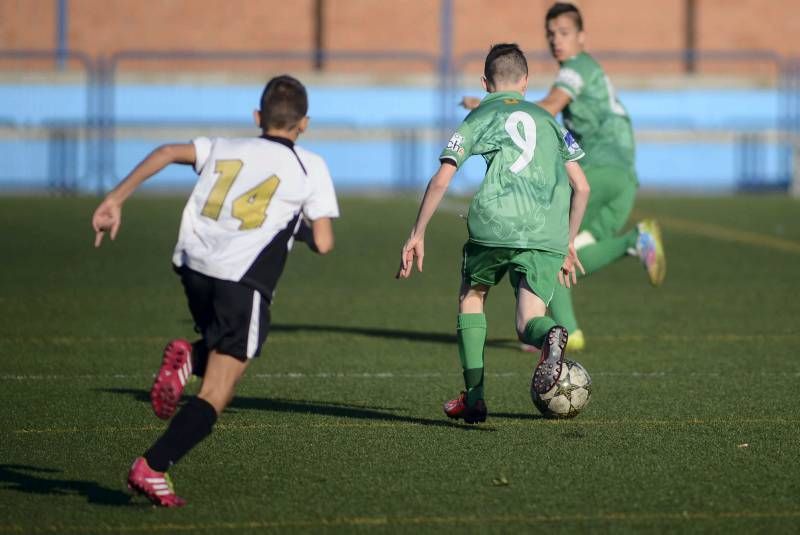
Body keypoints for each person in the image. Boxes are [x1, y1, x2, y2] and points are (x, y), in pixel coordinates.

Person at [91, 75, 339, 507]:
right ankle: (152, 466)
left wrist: (115, 198)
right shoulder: (309, 164)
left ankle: (192, 356)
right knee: (218, 389)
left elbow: (168, 152)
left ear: (258, 117)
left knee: (220, 345)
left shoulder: (224, 145)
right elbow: (323, 242)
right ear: (305, 123)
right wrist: (294, 225)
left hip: (192, 266)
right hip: (242, 277)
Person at [397, 43, 590, 424]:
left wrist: (417, 233)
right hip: (545, 232)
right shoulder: (550, 119)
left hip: (493, 226)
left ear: (485, 83)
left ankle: (475, 397)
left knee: (473, 297)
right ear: (526, 82)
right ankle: (549, 333)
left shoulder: (479, 115)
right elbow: (581, 187)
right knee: (527, 321)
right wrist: (568, 240)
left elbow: (442, 179)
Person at [461, 2, 666, 352]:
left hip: (597, 168)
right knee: (574, 254)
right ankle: (634, 243)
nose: (556, 40)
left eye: (564, 33)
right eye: (551, 34)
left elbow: (552, 106)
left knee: (534, 240)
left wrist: (492, 105)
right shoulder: (589, 69)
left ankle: (546, 326)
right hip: (623, 178)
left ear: (582, 37)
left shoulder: (575, 68)